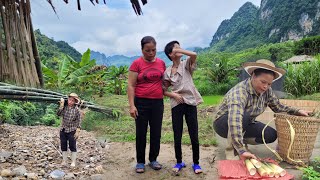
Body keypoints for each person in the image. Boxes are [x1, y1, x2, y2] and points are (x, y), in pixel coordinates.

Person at [213, 59, 311, 160]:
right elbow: (235, 120)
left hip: (246, 122)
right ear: (253, 75)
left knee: (270, 135)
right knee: (244, 117)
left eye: (269, 84)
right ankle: (234, 149)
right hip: (223, 124)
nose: (265, 86)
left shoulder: (267, 91)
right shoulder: (239, 93)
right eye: (263, 82)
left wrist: (297, 111)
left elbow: (278, 107)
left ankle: (240, 141)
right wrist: (241, 150)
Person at [127, 36, 166, 173]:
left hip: (157, 103)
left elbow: (164, 82)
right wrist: (132, 106)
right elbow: (131, 86)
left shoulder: (161, 63)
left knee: (156, 132)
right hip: (141, 102)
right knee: (141, 132)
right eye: (147, 50)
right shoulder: (136, 64)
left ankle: (153, 159)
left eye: (153, 50)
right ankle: (140, 162)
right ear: (142, 49)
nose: (151, 53)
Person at [163, 41, 203, 174]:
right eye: (175, 47)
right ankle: (179, 162)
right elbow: (163, 90)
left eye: (179, 46)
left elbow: (194, 54)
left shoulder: (186, 64)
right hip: (176, 104)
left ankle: (196, 163)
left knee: (194, 134)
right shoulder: (168, 71)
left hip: (190, 103)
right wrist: (173, 95)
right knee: (177, 134)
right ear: (170, 54)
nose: (179, 48)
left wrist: (180, 50)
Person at [57, 93, 81, 167]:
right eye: (69, 100)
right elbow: (58, 114)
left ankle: (73, 161)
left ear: (75, 102)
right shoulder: (64, 107)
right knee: (63, 145)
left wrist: (78, 131)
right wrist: (61, 105)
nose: (70, 102)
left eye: (72, 101)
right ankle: (64, 161)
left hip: (72, 130)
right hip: (63, 129)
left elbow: (79, 121)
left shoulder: (77, 110)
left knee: (72, 146)